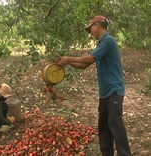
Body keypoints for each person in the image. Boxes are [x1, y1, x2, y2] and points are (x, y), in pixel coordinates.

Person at [54, 15, 131, 156]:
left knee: (115, 122)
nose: (91, 33)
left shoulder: (108, 41)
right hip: (105, 92)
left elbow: (89, 58)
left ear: (97, 25)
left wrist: (68, 58)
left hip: (114, 89)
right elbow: (85, 64)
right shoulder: (101, 44)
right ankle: (106, 153)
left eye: (91, 29)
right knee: (104, 126)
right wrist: (67, 62)